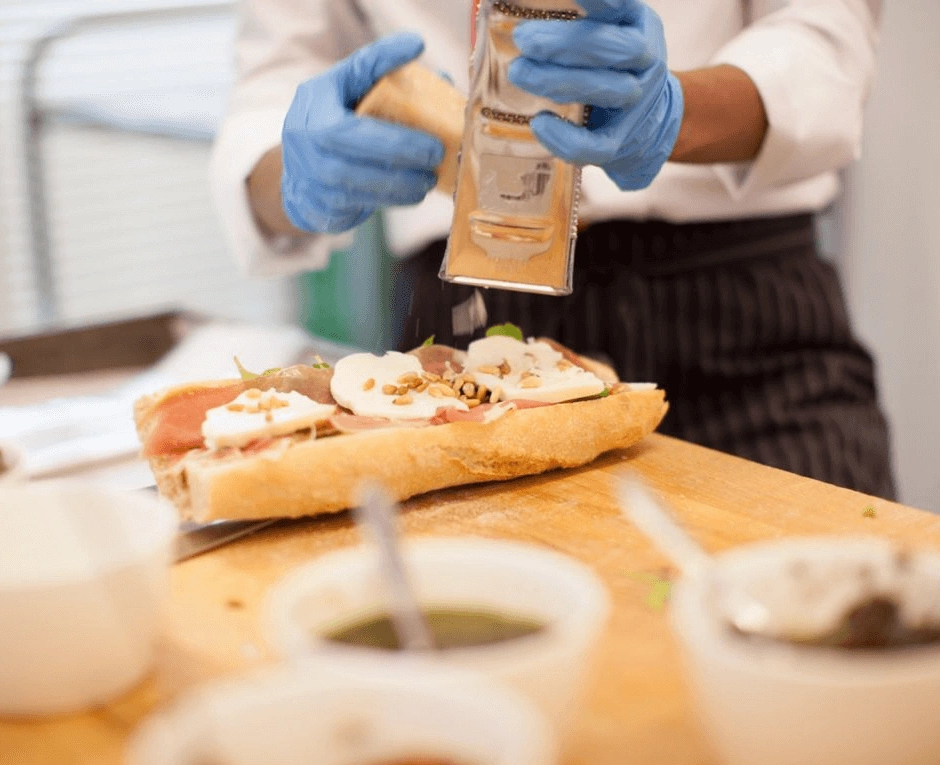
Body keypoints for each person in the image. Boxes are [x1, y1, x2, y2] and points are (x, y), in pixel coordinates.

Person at [210, 0, 896, 499]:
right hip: (462, 332)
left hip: (745, 314)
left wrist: (676, 108)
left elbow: (825, 31)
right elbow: (279, 70)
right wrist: (294, 171)